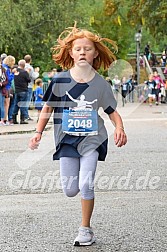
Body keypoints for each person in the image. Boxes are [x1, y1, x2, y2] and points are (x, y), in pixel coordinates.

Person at [29, 23, 127, 247]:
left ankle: (85, 229)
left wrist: (119, 128)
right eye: (78, 48)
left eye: (88, 48)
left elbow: (112, 112)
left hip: (92, 139)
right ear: (71, 53)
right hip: (66, 141)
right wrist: (37, 132)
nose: (83, 52)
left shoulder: (101, 84)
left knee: (85, 184)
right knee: (70, 189)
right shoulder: (60, 80)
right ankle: (84, 222)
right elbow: (47, 109)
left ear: (95, 54)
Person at [12, 59, 30, 124]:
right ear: (24, 65)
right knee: (23, 105)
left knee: (16, 104)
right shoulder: (24, 72)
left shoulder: (15, 72)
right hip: (24, 90)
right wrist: (28, 72)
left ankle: (14, 118)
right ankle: (22, 119)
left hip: (17, 90)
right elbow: (29, 80)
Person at [24, 54, 40, 121]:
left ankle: (24, 115)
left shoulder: (23, 66)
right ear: (30, 60)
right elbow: (33, 76)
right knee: (27, 101)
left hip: (23, 85)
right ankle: (26, 115)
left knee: (24, 101)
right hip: (29, 85)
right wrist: (37, 72)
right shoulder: (30, 67)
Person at [2, 55, 15, 125]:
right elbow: (8, 79)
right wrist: (13, 73)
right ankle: (4, 119)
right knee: (6, 104)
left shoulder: (3, 67)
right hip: (7, 87)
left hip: (3, 87)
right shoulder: (7, 69)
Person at [0, 58, 8, 125]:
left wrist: (2, 83)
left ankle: (2, 119)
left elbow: (6, 80)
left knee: (1, 104)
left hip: (1, 89)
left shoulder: (3, 70)